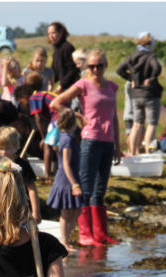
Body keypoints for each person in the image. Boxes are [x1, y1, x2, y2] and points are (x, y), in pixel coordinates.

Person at [51, 48, 123, 247]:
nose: (95, 69)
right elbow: (56, 103)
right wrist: (78, 116)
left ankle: (101, 233)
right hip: (90, 139)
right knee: (87, 187)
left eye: (99, 65)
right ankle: (84, 234)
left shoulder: (111, 87)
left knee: (100, 189)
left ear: (105, 65)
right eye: (91, 66)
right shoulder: (83, 84)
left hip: (108, 141)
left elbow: (114, 117)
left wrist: (118, 144)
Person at [116, 32, 163, 157]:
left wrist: (132, 78)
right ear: (150, 43)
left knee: (137, 124)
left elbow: (119, 70)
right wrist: (151, 79)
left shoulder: (133, 56)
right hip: (150, 94)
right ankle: (148, 152)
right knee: (151, 124)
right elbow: (157, 68)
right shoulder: (150, 56)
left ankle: (132, 152)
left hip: (136, 94)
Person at [46, 108, 82, 251]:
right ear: (73, 122)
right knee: (66, 212)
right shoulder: (67, 140)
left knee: (77, 209)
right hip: (66, 180)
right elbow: (65, 164)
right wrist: (74, 184)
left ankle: (65, 238)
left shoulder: (69, 137)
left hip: (72, 179)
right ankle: (64, 242)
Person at [0, 126, 41, 222]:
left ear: (16, 146)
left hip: (22, 209)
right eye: (0, 148)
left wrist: (36, 211)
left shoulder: (22, 166)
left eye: (7, 148)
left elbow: (31, 189)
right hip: (2, 209)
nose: (3, 152)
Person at [48, 22, 80, 94]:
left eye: (53, 33)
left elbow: (73, 70)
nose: (51, 36)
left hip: (72, 87)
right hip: (64, 88)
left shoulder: (67, 47)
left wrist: (62, 85)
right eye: (49, 34)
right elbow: (54, 72)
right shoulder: (57, 51)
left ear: (61, 33)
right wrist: (48, 82)